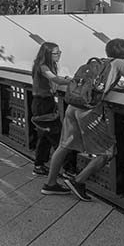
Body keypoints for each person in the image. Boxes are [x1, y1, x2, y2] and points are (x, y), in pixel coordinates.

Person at [42, 38, 124, 200]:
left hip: (73, 106)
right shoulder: (120, 63)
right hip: (88, 110)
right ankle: (78, 181)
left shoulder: (98, 62)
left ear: (107, 51)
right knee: (108, 152)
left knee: (64, 145)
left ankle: (50, 184)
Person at [30, 42, 73, 176]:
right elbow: (55, 80)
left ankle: (39, 164)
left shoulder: (48, 65)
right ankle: (68, 169)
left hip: (44, 103)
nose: (59, 55)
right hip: (42, 104)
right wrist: (73, 81)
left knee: (45, 136)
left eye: (59, 52)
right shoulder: (42, 66)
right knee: (58, 137)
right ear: (47, 54)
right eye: (55, 53)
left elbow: (54, 82)